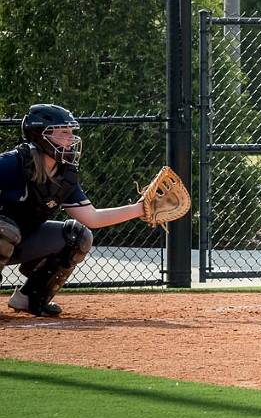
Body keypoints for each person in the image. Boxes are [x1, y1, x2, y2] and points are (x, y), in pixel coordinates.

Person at [1, 104, 150, 317]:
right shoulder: (12, 163)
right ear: (40, 136)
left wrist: (141, 209)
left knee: (78, 237)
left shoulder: (64, 174)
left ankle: (30, 298)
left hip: (19, 240)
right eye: (63, 132)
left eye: (71, 132)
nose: (71, 138)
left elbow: (93, 218)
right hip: (4, 235)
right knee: (5, 229)